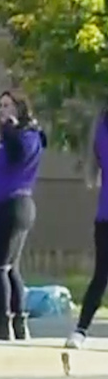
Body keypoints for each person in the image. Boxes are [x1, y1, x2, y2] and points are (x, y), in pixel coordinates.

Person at [0, 90, 46, 341]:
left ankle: (3, 324)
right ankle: (19, 324)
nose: (2, 110)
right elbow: (0, 178)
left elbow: (20, 157)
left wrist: (11, 130)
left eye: (7, 105)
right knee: (10, 268)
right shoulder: (5, 140)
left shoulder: (27, 136)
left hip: (13, 207)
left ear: (20, 109)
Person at [68, 105, 108, 350]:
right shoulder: (102, 123)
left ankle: (81, 329)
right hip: (105, 215)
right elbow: (94, 163)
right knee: (101, 274)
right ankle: (81, 328)